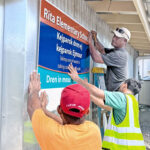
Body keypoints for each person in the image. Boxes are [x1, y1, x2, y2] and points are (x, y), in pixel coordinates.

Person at [68, 64, 146, 150]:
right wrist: (86, 91)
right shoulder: (132, 102)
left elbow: (98, 92)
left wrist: (77, 79)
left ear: (125, 85)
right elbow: (103, 105)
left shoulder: (122, 97)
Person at [27, 71, 102, 150]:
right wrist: (44, 110)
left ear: (59, 110)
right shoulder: (94, 130)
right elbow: (67, 127)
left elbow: (32, 107)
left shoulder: (53, 133)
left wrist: (34, 91)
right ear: (87, 111)